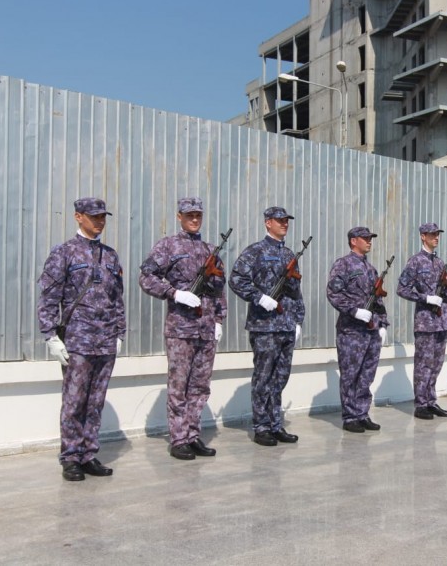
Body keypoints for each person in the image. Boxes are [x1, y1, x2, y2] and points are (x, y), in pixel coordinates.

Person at [37, 197, 126, 481]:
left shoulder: (110, 255)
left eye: (102, 217)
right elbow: (49, 296)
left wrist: (120, 331)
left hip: (105, 339)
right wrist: (50, 335)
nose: (99, 221)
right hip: (77, 340)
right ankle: (71, 457)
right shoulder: (64, 252)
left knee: (96, 401)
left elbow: (117, 298)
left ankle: (88, 454)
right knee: (74, 401)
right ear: (78, 217)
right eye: (93, 216)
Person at [138, 197, 227, 461]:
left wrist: (219, 320)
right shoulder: (168, 246)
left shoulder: (210, 250)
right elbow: (146, 277)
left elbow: (220, 289)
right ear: (179, 217)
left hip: (206, 328)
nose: (194, 219)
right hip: (181, 328)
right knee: (179, 385)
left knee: (200, 386)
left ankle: (192, 435)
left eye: (198, 215)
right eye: (189, 215)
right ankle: (178, 439)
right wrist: (174, 293)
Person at [229, 206, 305, 447]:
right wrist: (259, 297)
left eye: (286, 221)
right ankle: (261, 426)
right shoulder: (255, 251)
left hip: (286, 324)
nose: (284, 224)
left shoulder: (289, 254)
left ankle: (275, 424)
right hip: (264, 326)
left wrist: (298, 320)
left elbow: (296, 291)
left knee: (280, 377)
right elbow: (236, 279)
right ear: (267, 223)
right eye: (279, 220)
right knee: (263, 377)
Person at [326, 227, 389, 433]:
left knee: (367, 374)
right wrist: (354, 311)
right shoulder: (343, 264)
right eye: (365, 238)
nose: (369, 241)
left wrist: (383, 323)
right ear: (354, 241)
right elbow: (333, 293)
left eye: (370, 238)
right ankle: (350, 416)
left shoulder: (371, 269)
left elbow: (378, 299)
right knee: (350, 374)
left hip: (371, 330)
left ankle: (362, 413)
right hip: (351, 331)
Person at [397, 222, 447, 420]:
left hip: (441, 323)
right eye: (432, 234)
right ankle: (421, 404)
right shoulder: (415, 262)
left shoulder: (439, 263)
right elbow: (402, 289)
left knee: (436, 365)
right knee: (423, 365)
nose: (436, 237)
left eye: (437, 234)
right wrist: (425, 298)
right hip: (425, 323)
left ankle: (431, 402)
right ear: (423, 236)